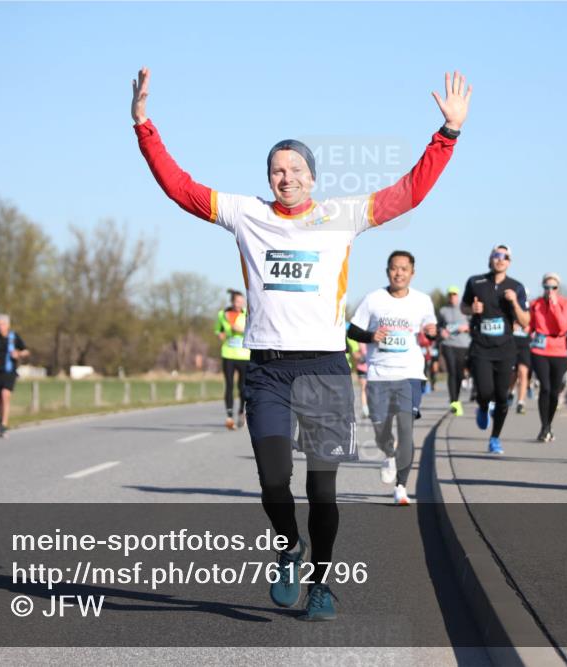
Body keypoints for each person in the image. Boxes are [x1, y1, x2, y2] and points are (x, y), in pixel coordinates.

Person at [131, 66, 470, 619]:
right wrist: (144, 125)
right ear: (268, 178)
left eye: (295, 170)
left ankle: (321, 584)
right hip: (267, 371)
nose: (285, 177)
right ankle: (289, 546)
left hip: (326, 370)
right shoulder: (246, 214)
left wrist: (448, 133)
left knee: (324, 491)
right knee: (272, 482)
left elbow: (410, 191)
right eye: (276, 170)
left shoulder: (342, 215)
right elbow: (180, 187)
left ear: (313, 177)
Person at [349, 251, 437, 506]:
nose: (399, 273)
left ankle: (401, 486)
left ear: (412, 272)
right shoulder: (373, 299)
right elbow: (353, 330)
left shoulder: (422, 301)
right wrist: (371, 336)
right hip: (379, 374)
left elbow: (431, 331)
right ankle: (389, 453)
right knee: (381, 430)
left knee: (406, 429)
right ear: (387, 271)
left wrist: (432, 332)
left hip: (410, 373)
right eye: (394, 268)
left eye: (404, 268)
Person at [461, 245, 529, 454]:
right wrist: (472, 309)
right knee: (484, 391)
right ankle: (482, 407)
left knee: (501, 396)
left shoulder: (516, 287)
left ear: (509, 262)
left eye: (505, 256)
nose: (500, 259)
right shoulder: (475, 282)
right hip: (481, 347)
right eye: (496, 255)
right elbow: (463, 307)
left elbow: (525, 321)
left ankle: (495, 438)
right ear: (490, 259)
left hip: (505, 349)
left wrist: (514, 302)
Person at [529, 272, 567, 442]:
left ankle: (549, 424)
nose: (549, 290)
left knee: (554, 391)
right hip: (539, 350)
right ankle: (544, 427)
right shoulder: (536, 304)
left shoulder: (566, 303)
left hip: (559, 351)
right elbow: (530, 325)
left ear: (558, 288)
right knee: (545, 388)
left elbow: (563, 327)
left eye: (553, 287)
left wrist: (554, 305)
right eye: (546, 287)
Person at [215, 289, 250, 429]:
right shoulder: (222, 314)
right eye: (237, 301)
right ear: (232, 302)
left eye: (241, 301)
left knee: (242, 387)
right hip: (228, 354)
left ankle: (241, 412)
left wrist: (241, 330)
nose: (239, 304)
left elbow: (254, 329)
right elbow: (218, 330)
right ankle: (229, 417)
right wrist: (220, 334)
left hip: (244, 355)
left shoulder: (248, 313)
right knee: (229, 385)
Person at [437, 285, 471, 415]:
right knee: (452, 371)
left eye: (454, 294)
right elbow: (438, 326)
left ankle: (456, 398)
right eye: (450, 294)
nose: (452, 297)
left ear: (458, 296)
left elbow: (474, 323)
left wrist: (466, 327)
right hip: (448, 344)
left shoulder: (465, 309)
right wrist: (441, 331)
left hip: (462, 345)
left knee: (459, 373)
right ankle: (453, 401)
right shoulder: (443, 310)